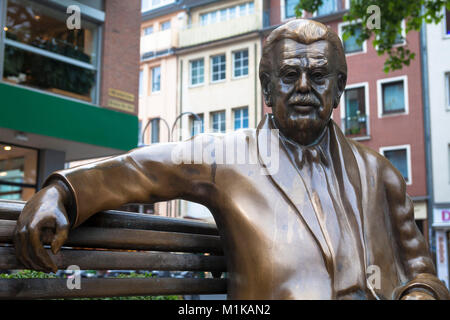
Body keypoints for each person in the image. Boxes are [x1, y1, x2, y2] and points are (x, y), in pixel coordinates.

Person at [13, 19, 449, 300]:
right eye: (287, 75)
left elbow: (423, 271)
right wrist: (63, 192)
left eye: (317, 76)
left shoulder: (379, 173)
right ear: (265, 89)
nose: (302, 87)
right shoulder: (226, 157)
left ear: (338, 90)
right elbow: (138, 168)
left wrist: (420, 295)